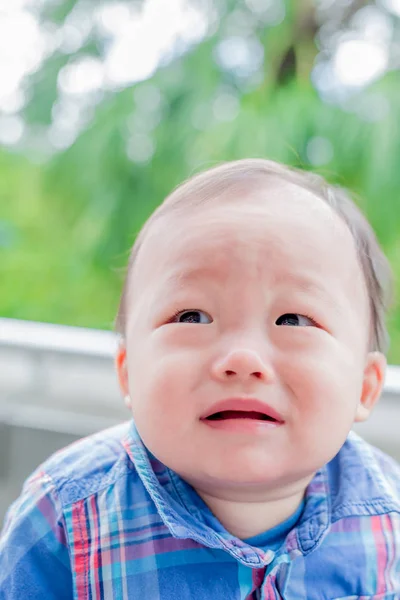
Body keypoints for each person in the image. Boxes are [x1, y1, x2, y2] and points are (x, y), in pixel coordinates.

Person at [1, 159, 399, 599]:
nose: (243, 359)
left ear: (364, 386)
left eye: (294, 319)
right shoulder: (64, 516)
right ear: (129, 372)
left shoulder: (390, 517)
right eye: (192, 316)